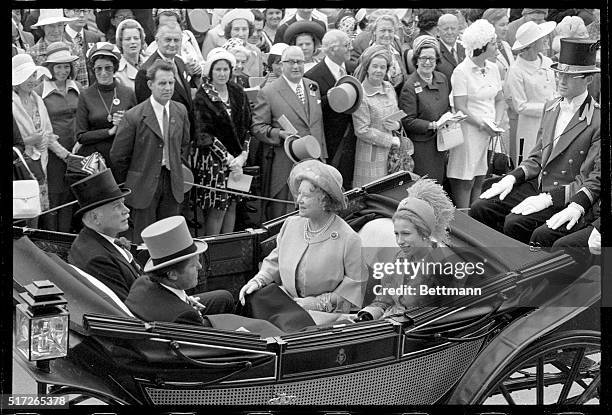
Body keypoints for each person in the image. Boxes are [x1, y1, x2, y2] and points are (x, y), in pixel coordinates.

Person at [471, 38, 600, 244]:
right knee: (481, 207)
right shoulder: (551, 106)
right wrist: (512, 177)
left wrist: (550, 198)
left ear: (588, 80)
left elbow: (592, 179)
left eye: (570, 76)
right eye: (560, 74)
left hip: (564, 194)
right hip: (539, 184)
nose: (562, 81)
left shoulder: (597, 119)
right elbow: (537, 157)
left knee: (515, 223)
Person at [239, 160, 367, 315]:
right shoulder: (291, 224)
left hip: (323, 318)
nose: (299, 200)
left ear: (325, 200)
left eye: (306, 195)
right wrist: (258, 281)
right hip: (285, 306)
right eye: (298, 193)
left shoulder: (349, 238)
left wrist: (316, 303)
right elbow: (275, 261)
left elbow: (354, 288)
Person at [111, 60, 191, 244]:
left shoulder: (180, 111)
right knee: (144, 239)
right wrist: (133, 179)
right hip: (143, 186)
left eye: (171, 83)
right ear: (150, 85)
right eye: (162, 83)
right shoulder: (134, 116)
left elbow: (185, 144)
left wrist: (178, 168)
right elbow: (118, 155)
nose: (168, 88)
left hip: (172, 182)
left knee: (170, 238)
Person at [356, 178, 457, 320]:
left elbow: (441, 317)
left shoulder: (441, 267)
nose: (399, 241)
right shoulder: (400, 257)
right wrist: (367, 315)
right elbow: (383, 299)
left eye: (406, 234)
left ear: (424, 233)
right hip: (386, 324)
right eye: (396, 234)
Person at [251, 46, 327, 220]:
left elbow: (317, 125)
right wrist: (279, 134)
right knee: (285, 216)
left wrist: (322, 156)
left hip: (314, 161)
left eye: (299, 62)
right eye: (290, 62)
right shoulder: (269, 92)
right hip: (286, 163)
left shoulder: (312, 86)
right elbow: (257, 127)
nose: (295, 66)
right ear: (282, 65)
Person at [125, 216, 235, 326]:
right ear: (172, 274)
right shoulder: (185, 315)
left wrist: (184, 301)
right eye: (193, 265)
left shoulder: (141, 283)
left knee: (224, 297)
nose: (200, 266)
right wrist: (186, 308)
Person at [12, 54, 76, 230]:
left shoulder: (37, 99)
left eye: (33, 75)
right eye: (26, 77)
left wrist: (67, 156)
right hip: (19, 167)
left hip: (40, 163)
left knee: (39, 212)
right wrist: (29, 141)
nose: (31, 80)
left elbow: (47, 135)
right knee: (23, 212)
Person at [193, 48, 252, 235]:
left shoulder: (238, 91)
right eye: (217, 69)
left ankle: (229, 247)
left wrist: (243, 155)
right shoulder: (203, 96)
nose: (222, 73)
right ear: (210, 72)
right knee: (218, 207)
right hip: (214, 161)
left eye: (225, 69)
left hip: (238, 159)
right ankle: (214, 251)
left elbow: (248, 126)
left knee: (233, 204)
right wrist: (227, 159)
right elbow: (204, 134)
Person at [447, 19, 504, 208]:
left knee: (480, 177)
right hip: (468, 132)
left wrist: (495, 123)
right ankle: (464, 217)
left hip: (487, 132)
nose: (498, 46)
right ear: (482, 46)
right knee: (466, 179)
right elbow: (460, 106)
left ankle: (476, 218)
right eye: (494, 42)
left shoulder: (494, 68)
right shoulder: (461, 72)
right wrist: (482, 124)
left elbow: (499, 98)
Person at [68, 168, 140, 302]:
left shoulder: (93, 240)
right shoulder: (98, 259)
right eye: (117, 206)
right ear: (95, 217)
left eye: (123, 203)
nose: (127, 210)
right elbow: (129, 308)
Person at [35, 42, 82, 232]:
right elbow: (40, 126)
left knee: (73, 194)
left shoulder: (77, 87)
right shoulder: (40, 91)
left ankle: (68, 238)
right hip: (53, 153)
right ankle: (53, 240)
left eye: (66, 66)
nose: (63, 70)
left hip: (77, 149)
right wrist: (61, 152)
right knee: (55, 197)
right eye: (58, 66)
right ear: (50, 68)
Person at [75, 42, 136, 172]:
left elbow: (137, 128)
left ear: (114, 68)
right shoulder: (85, 95)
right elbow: (81, 136)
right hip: (95, 162)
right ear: (93, 70)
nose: (103, 73)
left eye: (108, 68)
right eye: (99, 68)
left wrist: (125, 122)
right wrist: (110, 131)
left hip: (123, 158)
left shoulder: (128, 93)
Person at [399, 36, 450, 185]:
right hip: (422, 147)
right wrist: (432, 125)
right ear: (416, 60)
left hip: (441, 143)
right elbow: (408, 120)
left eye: (431, 59)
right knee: (425, 186)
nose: (427, 62)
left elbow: (446, 107)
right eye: (423, 58)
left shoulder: (442, 79)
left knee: (439, 184)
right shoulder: (409, 85)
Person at [304, 30, 354, 180]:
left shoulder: (352, 68)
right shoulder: (312, 76)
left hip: (352, 136)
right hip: (330, 140)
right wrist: (333, 97)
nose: (350, 48)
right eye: (346, 45)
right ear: (332, 49)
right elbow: (313, 109)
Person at [504, 21, 557, 161]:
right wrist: (547, 107)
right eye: (542, 38)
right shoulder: (516, 70)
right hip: (530, 129)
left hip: (552, 124)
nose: (546, 40)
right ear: (533, 43)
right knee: (530, 164)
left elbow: (555, 89)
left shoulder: (547, 62)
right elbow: (520, 106)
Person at [351, 45, 402, 188]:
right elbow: (362, 130)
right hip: (371, 155)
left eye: (382, 67)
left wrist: (397, 125)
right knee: (372, 195)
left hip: (393, 154)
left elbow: (396, 113)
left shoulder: (389, 88)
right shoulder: (361, 94)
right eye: (375, 66)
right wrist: (390, 140)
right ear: (367, 67)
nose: (379, 70)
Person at [482, 8, 517, 163]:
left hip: (510, 108)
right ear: (491, 26)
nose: (506, 28)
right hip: (495, 109)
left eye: (507, 24)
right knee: (494, 157)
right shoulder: (486, 49)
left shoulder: (506, 45)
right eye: (502, 25)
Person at [351, 14, 407, 95]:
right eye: (383, 30)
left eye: (390, 31)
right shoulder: (368, 55)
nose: (387, 34)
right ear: (374, 32)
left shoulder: (396, 51)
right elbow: (361, 84)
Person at [145, 9, 205, 82]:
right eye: (164, 25)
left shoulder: (188, 37)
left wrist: (199, 69)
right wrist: (186, 72)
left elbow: (202, 63)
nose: (169, 28)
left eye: (173, 24)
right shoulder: (151, 50)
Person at [63, 8, 101, 88]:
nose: (81, 15)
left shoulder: (94, 37)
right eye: (77, 11)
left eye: (85, 11)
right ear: (66, 12)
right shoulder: (60, 37)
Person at [113, 18, 148, 91]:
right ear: (120, 42)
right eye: (128, 39)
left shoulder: (150, 63)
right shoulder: (117, 71)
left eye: (136, 38)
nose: (133, 42)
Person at [435, 13, 466, 84]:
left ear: (458, 29)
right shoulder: (435, 51)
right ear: (438, 31)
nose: (450, 32)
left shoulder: (465, 48)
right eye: (446, 29)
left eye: (453, 28)